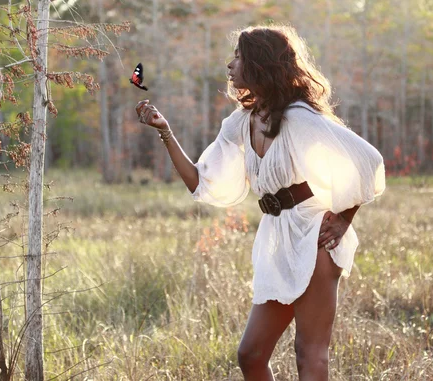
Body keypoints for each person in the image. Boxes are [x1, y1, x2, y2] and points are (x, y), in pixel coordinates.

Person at [134, 24, 385, 381]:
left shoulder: (300, 117)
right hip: (276, 235)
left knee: (309, 354)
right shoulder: (240, 122)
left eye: (238, 57)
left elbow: (367, 159)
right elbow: (201, 180)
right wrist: (165, 132)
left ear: (259, 64)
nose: (230, 65)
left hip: (313, 234)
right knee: (250, 354)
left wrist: (345, 217)